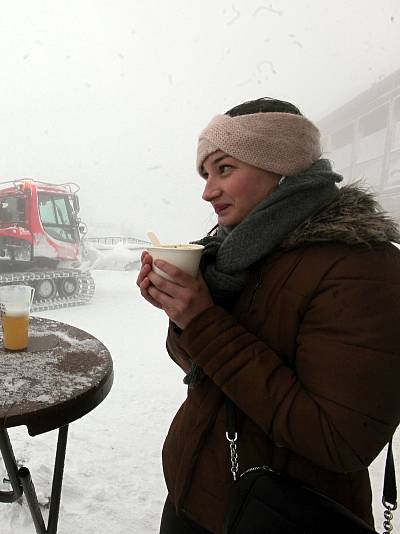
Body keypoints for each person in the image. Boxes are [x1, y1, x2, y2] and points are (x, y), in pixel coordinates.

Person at [137, 97, 400, 533]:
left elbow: (339, 440)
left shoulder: (363, 266)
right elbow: (202, 370)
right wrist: (181, 313)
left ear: (282, 165)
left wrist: (202, 320)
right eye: (205, 174)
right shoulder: (234, 255)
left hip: (283, 514)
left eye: (224, 169)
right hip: (198, 498)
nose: (207, 191)